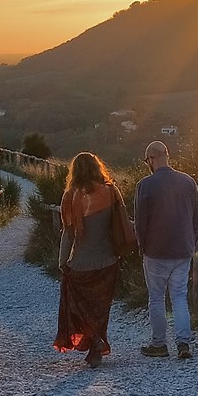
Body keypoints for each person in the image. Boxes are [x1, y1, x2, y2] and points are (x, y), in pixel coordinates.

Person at [54, 152, 133, 367]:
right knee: (100, 307)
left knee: (77, 306)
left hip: (81, 264)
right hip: (109, 262)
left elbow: (69, 233)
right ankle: (97, 340)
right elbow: (119, 222)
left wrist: (62, 262)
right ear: (98, 168)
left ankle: (94, 341)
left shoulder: (70, 197)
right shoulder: (112, 191)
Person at [131, 139, 198, 359]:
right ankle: (183, 344)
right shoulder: (188, 182)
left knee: (156, 298)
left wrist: (141, 246)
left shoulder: (145, 185)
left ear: (151, 159)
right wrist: (192, 241)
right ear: (167, 156)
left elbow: (141, 222)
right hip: (183, 250)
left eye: (147, 161)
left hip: (156, 251)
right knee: (180, 296)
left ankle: (159, 344)